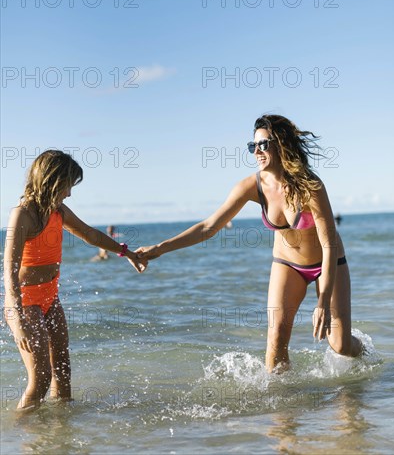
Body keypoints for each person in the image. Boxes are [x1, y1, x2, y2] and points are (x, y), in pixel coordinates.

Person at [137, 115, 363, 373]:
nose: (256, 151)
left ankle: (364, 350)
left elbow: (329, 243)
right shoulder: (252, 186)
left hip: (327, 262)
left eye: (263, 145)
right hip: (288, 264)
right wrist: (159, 248)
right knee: (276, 339)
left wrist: (322, 301)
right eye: (252, 146)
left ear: (281, 144)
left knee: (340, 345)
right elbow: (208, 227)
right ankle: (283, 409)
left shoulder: (311, 186)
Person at [3, 150, 146, 410]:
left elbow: (91, 235)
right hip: (24, 303)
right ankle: (22, 436)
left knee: (63, 369)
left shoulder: (58, 210)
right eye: (68, 185)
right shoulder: (22, 214)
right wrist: (16, 317)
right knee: (42, 378)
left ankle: (62, 432)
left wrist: (125, 252)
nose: (69, 193)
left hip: (49, 297)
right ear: (52, 181)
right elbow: (8, 270)